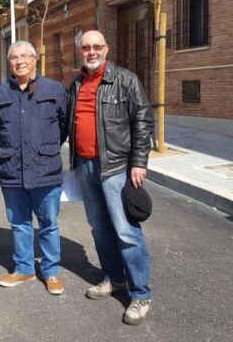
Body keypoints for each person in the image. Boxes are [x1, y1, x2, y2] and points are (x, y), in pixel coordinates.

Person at [68, 30, 155, 325]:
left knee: (126, 232)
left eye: (96, 47)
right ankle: (114, 278)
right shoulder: (77, 83)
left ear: (106, 49)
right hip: (85, 166)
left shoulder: (125, 80)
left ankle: (140, 293)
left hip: (117, 167)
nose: (91, 52)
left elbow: (143, 121)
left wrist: (139, 163)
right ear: (80, 51)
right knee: (99, 228)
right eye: (86, 48)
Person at [0, 41, 69, 295]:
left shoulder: (55, 89)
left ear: (36, 59)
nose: (19, 61)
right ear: (9, 62)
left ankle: (51, 271)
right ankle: (24, 268)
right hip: (12, 169)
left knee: (48, 223)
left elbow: (63, 128)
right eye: (14, 57)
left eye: (25, 56)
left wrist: (43, 147)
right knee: (19, 222)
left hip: (46, 170)